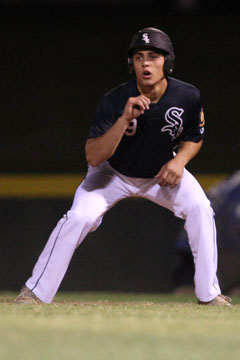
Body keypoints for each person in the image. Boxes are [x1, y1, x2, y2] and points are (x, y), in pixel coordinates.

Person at [14, 27, 231, 306]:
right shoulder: (114, 100)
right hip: (111, 173)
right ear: (132, 64)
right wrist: (123, 120)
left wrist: (180, 160)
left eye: (153, 56)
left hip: (159, 173)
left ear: (168, 62)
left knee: (201, 208)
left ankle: (209, 294)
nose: (146, 63)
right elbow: (93, 156)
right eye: (139, 57)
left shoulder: (187, 96)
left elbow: (194, 137)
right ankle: (35, 291)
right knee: (79, 218)